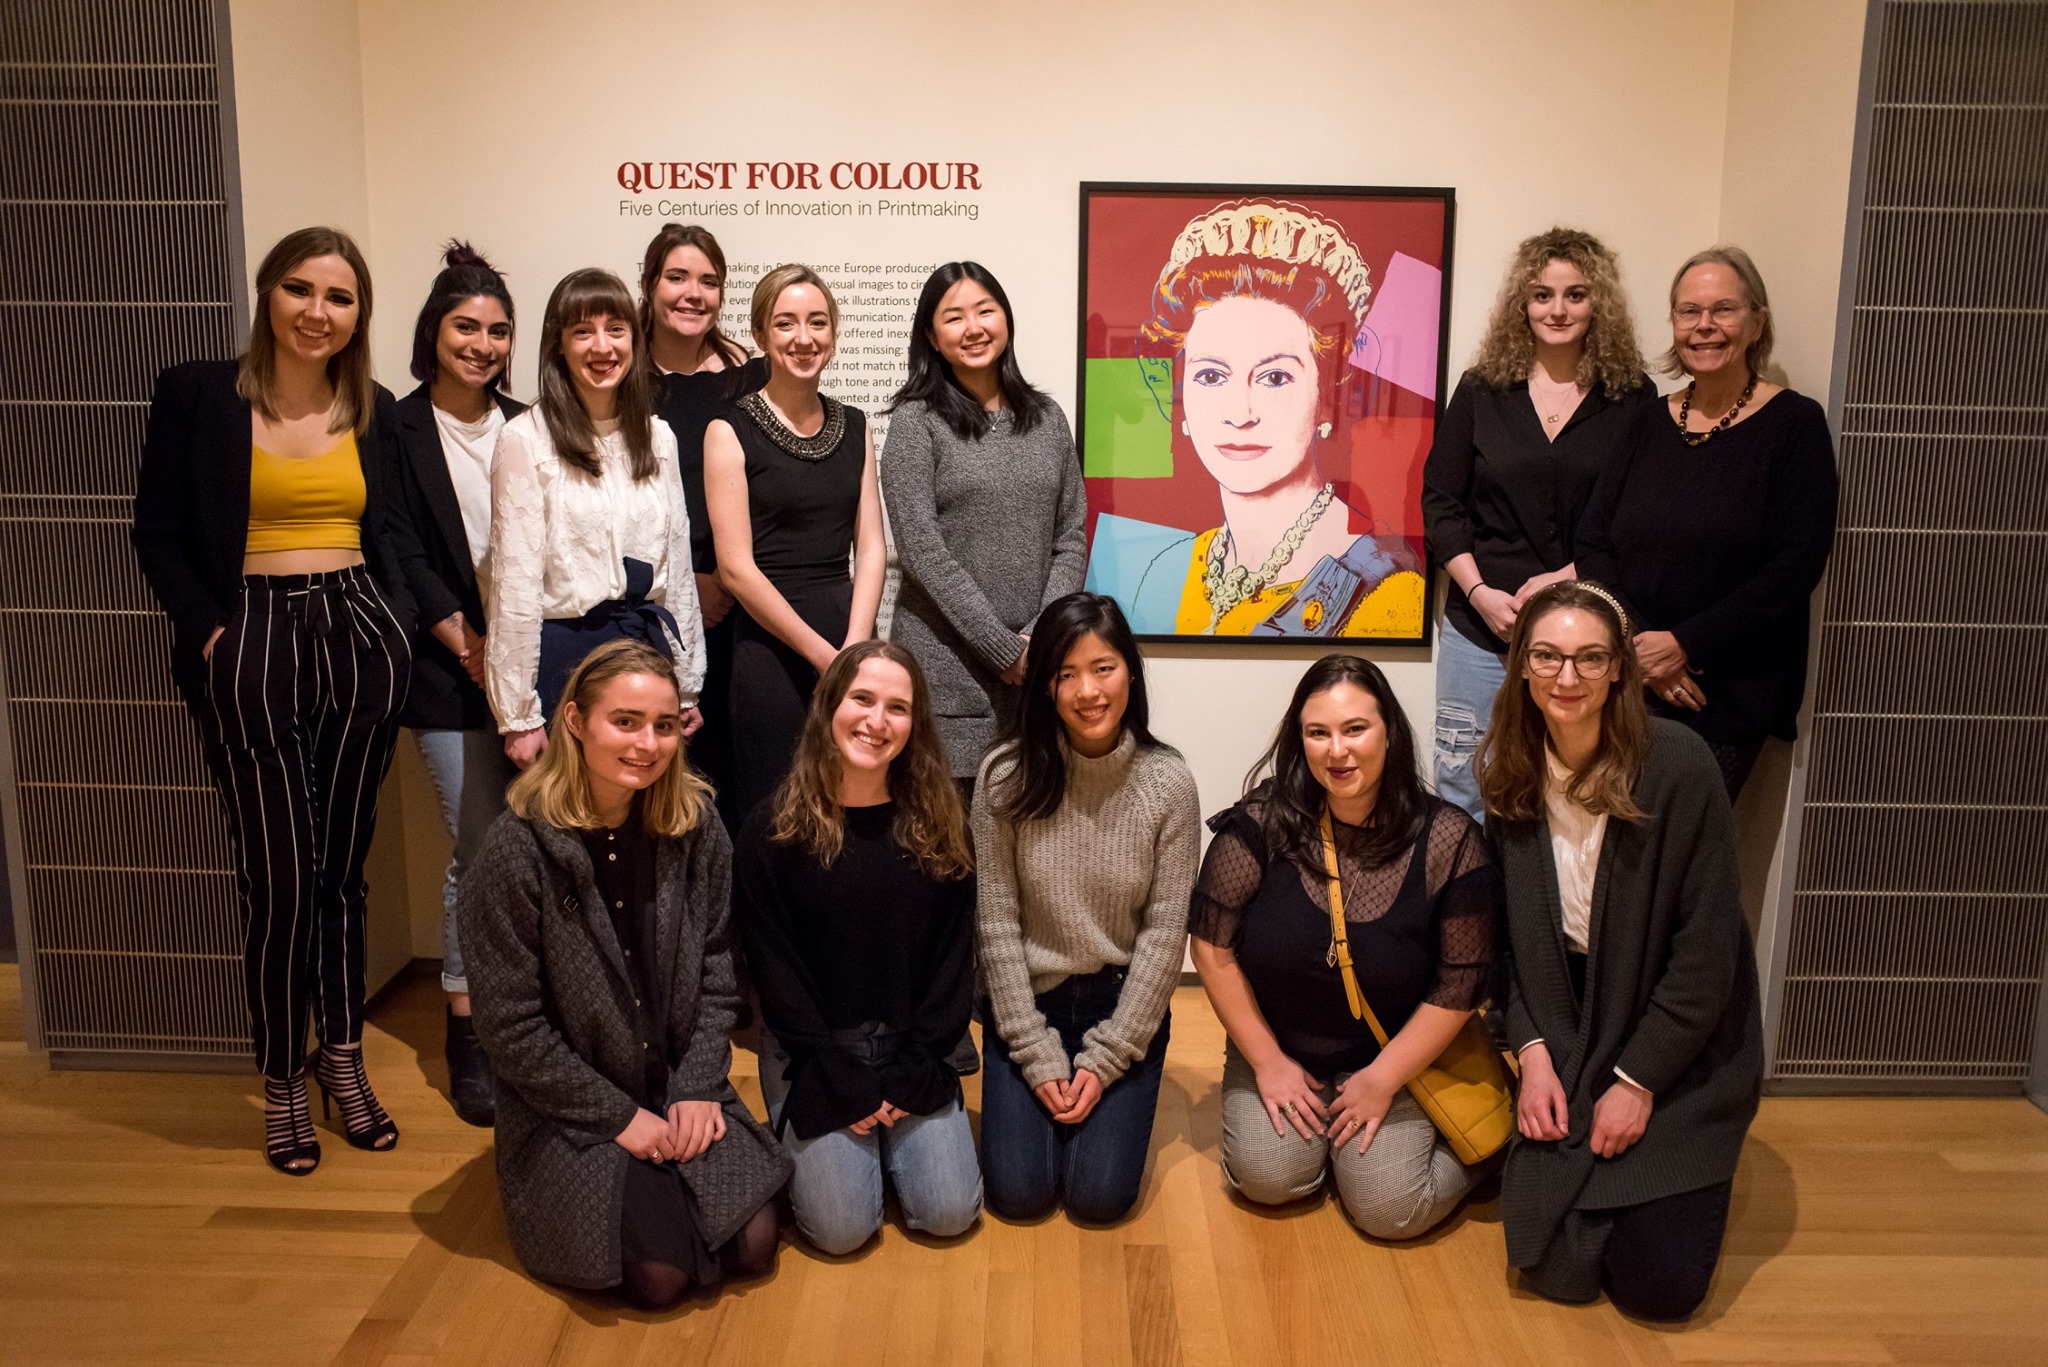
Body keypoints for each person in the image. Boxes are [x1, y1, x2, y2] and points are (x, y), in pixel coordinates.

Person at [133, 225, 414, 1174]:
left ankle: (344, 1057)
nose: (317, 312)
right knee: (281, 877)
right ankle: (284, 1078)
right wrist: (211, 628)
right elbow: (158, 532)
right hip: (249, 630)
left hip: (356, 628)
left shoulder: (368, 404)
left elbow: (393, 535)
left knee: (341, 866)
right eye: (300, 289)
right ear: (267, 292)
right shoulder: (201, 394)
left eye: (338, 298)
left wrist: (397, 628)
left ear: (357, 316)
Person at [459, 639, 789, 1310]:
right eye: (626, 721)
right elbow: (510, 1028)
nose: (647, 742)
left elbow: (720, 969)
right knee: (660, 1280)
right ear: (576, 721)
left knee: (753, 1245)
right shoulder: (515, 852)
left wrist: (697, 1084)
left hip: (674, 1076)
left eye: (664, 725)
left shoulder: (696, 827)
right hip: (573, 1100)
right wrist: (618, 1117)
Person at [1481, 581, 1762, 1321]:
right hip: (1570, 1018)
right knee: (1559, 1262)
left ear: (1618, 670)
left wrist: (1637, 1079)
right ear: (1521, 666)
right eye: (1546, 656)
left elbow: (1708, 958)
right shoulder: (1508, 770)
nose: (1565, 678)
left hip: (1674, 1036)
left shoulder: (1679, 765)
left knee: (1657, 1289)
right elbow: (1507, 944)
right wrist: (1533, 1048)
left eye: (1588, 658)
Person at [1189, 655, 1502, 1238]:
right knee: (1267, 1178)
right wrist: (1267, 1062)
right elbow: (1211, 947)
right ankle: (1333, 1149)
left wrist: (1383, 1079)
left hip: (1396, 1055)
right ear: (1298, 739)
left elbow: (1461, 986)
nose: (1338, 751)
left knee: (1389, 1212)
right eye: (1318, 733)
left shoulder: (1450, 840)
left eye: (1356, 729)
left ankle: (1489, 1154)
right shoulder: (1261, 824)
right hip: (1283, 1049)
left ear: (1390, 732)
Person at [734, 641, 981, 1255]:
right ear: (828, 707)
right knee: (842, 1233)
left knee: (951, 1214)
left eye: (897, 708)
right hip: (812, 1049)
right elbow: (775, 969)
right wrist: (841, 1078)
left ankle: (893, 1151)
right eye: (862, 699)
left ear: (914, 726)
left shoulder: (941, 823)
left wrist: (913, 1068)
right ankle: (861, 1153)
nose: (876, 721)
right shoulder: (772, 830)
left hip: (913, 1043)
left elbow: (953, 962)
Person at [1086, 200, 1424, 638]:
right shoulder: (1169, 568)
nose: (1240, 414)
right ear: (1181, 399)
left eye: (1275, 377)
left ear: (1327, 397)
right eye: (1210, 375)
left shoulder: (1387, 587)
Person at [1577, 246, 1839, 800]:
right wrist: (1642, 646)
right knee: (1605, 855)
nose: (1705, 327)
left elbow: (1795, 565)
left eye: (1724, 309)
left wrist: (1685, 645)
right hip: (1627, 679)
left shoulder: (1795, 425)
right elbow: (1593, 540)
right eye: (1688, 312)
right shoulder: (1646, 419)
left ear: (1757, 321)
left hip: (1724, 692)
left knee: (1681, 864)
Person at [973, 593, 1200, 1223]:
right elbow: (996, 927)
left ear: (1130, 670)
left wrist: (1107, 1058)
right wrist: (1035, 1051)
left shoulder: (1169, 783)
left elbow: (1163, 936)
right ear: (1044, 687)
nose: (1087, 691)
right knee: (1020, 1196)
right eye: (1065, 673)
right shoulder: (1004, 777)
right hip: (1029, 1005)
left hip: (1122, 1006)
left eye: (1103, 668)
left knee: (1098, 1200)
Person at [1421, 228, 1654, 819]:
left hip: (1586, 634)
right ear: (1521, 303)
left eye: (1575, 294)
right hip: (1482, 630)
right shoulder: (1481, 390)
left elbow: (1638, 517)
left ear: (1597, 303)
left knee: (1578, 790)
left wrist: (1566, 581)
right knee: (1466, 790)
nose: (1557, 309)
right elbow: (1441, 502)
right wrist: (1479, 593)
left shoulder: (1633, 398)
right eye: (1542, 294)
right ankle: (1469, 914)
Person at [377, 242, 525, 1126]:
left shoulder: (527, 422)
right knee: (478, 846)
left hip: (527, 667)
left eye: (497, 329)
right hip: (446, 672)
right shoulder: (392, 427)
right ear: (433, 333)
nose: (481, 343)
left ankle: (527, 1021)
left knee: (530, 847)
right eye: (465, 326)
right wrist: (463, 639)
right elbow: (391, 543)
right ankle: (468, 1030)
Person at [484, 268, 704, 771]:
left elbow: (678, 570)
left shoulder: (658, 438)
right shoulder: (525, 439)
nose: (602, 347)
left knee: (644, 827)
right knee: (570, 826)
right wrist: (518, 714)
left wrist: (687, 683)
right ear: (559, 344)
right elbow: (513, 584)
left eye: (616, 329)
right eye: (583, 331)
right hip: (569, 660)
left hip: (647, 654)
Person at [881, 261, 1087, 792]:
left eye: (985, 311)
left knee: (1026, 850)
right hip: (946, 676)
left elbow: (1070, 537)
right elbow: (921, 548)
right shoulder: (916, 422)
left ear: (1006, 320)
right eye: (954, 317)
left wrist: (1039, 641)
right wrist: (1001, 647)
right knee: (949, 853)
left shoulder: (1047, 419)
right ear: (931, 335)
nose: (973, 328)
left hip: (1036, 675)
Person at [705, 264, 886, 819]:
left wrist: (854, 650)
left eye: (818, 323)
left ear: (833, 333)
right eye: (785, 324)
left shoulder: (855, 425)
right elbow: (735, 569)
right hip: (770, 648)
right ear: (760, 336)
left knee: (854, 801)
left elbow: (872, 545)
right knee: (775, 809)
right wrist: (824, 657)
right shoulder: (727, 429)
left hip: (847, 633)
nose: (803, 338)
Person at [640, 224, 768, 828]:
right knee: (660, 788)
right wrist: (688, 585)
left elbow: (772, 493)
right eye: (677, 277)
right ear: (648, 285)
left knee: (740, 785)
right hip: (650, 611)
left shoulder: (752, 380)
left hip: (744, 611)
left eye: (709, 281)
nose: (693, 293)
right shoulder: (618, 377)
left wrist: (727, 580)